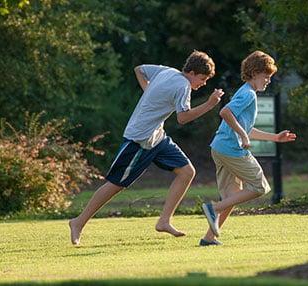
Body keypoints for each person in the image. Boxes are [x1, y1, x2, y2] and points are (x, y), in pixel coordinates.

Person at [69, 50, 224, 245]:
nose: (203, 84)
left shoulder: (168, 71)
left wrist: (149, 91)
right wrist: (210, 104)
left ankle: (164, 220)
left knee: (187, 172)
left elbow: (139, 70)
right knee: (116, 184)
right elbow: (183, 118)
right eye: (202, 79)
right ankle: (78, 222)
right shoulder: (183, 85)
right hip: (139, 139)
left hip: (156, 137)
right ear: (191, 72)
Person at [199, 51, 296, 246]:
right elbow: (224, 112)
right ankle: (213, 208)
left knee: (232, 197)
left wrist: (275, 138)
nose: (268, 80)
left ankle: (208, 238)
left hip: (219, 148)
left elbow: (247, 129)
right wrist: (242, 136)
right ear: (254, 72)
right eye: (266, 76)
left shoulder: (245, 92)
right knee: (260, 187)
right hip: (232, 150)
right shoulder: (248, 94)